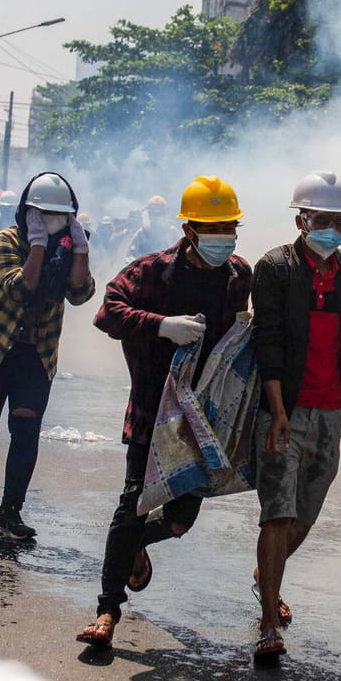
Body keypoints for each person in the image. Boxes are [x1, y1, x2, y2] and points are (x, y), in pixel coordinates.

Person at [77, 176, 252, 649]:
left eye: (229, 226)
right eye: (213, 227)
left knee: (178, 521)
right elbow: (107, 312)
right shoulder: (153, 272)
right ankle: (107, 609)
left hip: (203, 421)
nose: (224, 236)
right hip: (153, 411)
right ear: (190, 229)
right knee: (134, 501)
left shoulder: (240, 276)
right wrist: (160, 327)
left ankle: (136, 546)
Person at [249, 171, 341, 666]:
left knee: (304, 516)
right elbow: (266, 342)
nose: (332, 230)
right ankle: (268, 620)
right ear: (302, 219)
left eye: (340, 222)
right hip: (283, 411)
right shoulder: (275, 268)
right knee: (278, 510)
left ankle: (267, 576)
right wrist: (279, 411)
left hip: (333, 411)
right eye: (323, 220)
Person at [0, 172, 96, 542]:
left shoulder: (70, 246)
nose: (50, 222)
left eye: (59, 215)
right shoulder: (7, 240)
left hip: (37, 354)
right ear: (26, 214)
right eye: (41, 214)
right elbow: (21, 287)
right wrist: (37, 244)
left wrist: (78, 247)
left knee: (26, 428)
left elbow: (81, 294)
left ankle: (9, 514)